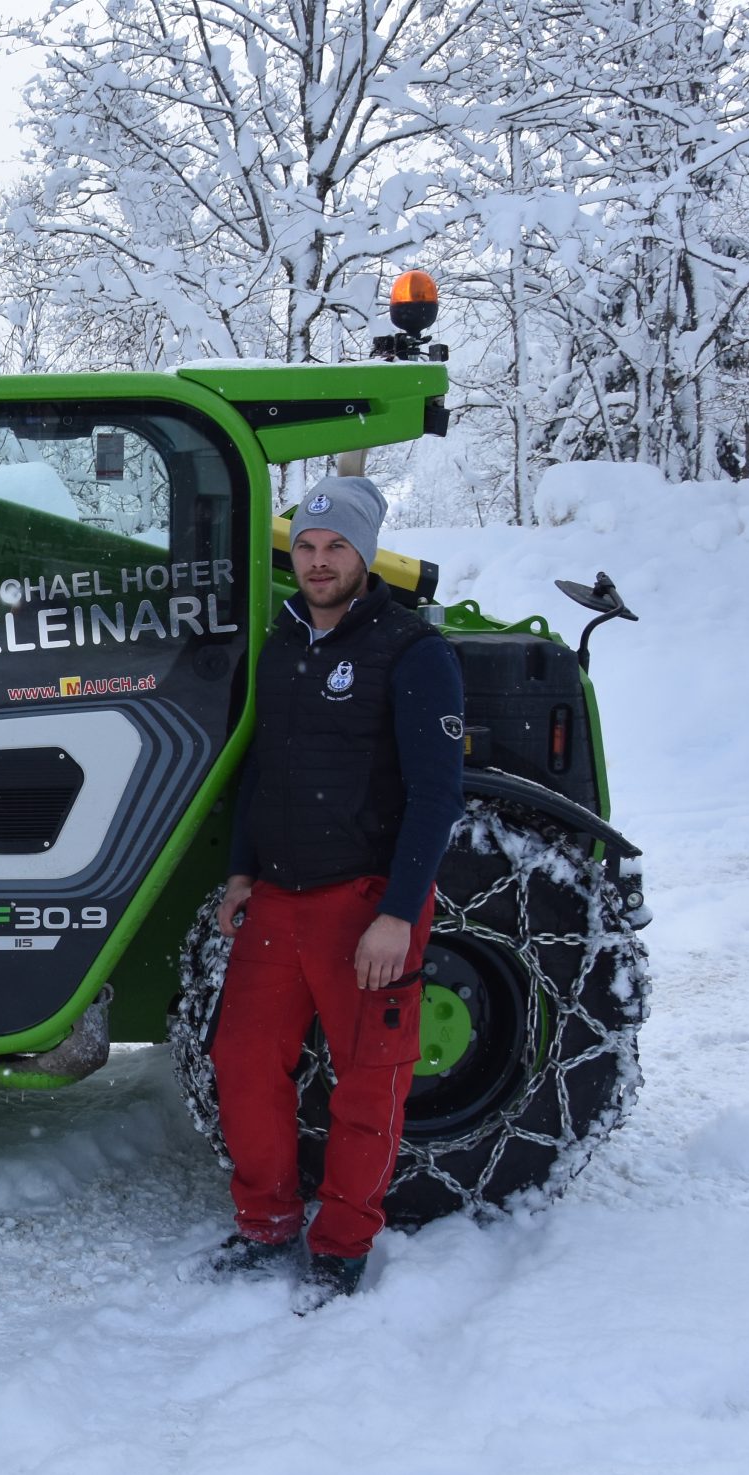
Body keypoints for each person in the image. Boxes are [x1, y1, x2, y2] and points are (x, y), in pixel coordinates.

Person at [206, 475, 465, 1310]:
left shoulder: (413, 651)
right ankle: (267, 1221)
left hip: (366, 901)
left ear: (365, 556)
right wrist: (243, 867)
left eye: (337, 549)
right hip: (280, 895)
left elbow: (436, 795)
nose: (319, 563)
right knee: (241, 1059)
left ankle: (344, 1245)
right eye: (308, 548)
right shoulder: (281, 641)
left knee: (368, 1079)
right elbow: (262, 765)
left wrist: (397, 914)